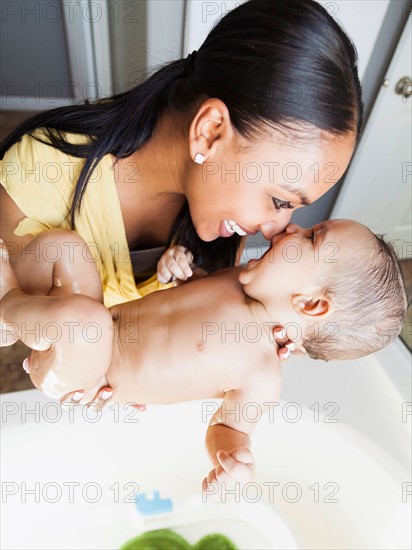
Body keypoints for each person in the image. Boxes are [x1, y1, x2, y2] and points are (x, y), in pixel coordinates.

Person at [0, 0, 363, 397]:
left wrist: (219, 351)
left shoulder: (219, 230)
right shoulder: (41, 174)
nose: (277, 230)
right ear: (209, 131)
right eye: (279, 200)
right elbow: (18, 323)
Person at [0, 220, 406, 492]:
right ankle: (18, 316)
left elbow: (229, 429)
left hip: (86, 374)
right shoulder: (235, 280)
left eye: (312, 238)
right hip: (88, 322)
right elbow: (186, 305)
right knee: (64, 246)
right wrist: (178, 270)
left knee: (84, 322)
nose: (292, 228)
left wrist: (232, 461)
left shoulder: (261, 374)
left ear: (312, 305)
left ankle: (9, 303)